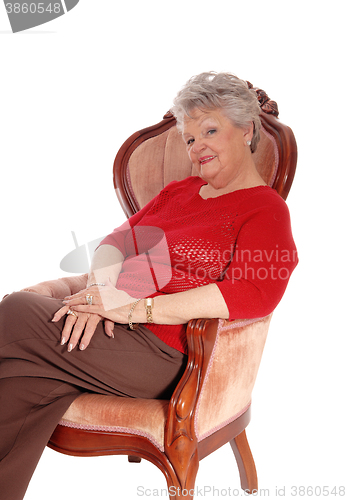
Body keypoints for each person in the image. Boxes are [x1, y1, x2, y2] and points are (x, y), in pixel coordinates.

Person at [0, 72, 298, 499]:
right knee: (20, 385)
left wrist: (135, 309)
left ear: (247, 129)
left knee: (16, 310)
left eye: (210, 130)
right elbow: (114, 245)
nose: (197, 149)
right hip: (112, 337)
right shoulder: (181, 192)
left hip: (169, 354)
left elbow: (255, 293)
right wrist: (102, 296)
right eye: (190, 139)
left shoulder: (264, 208)